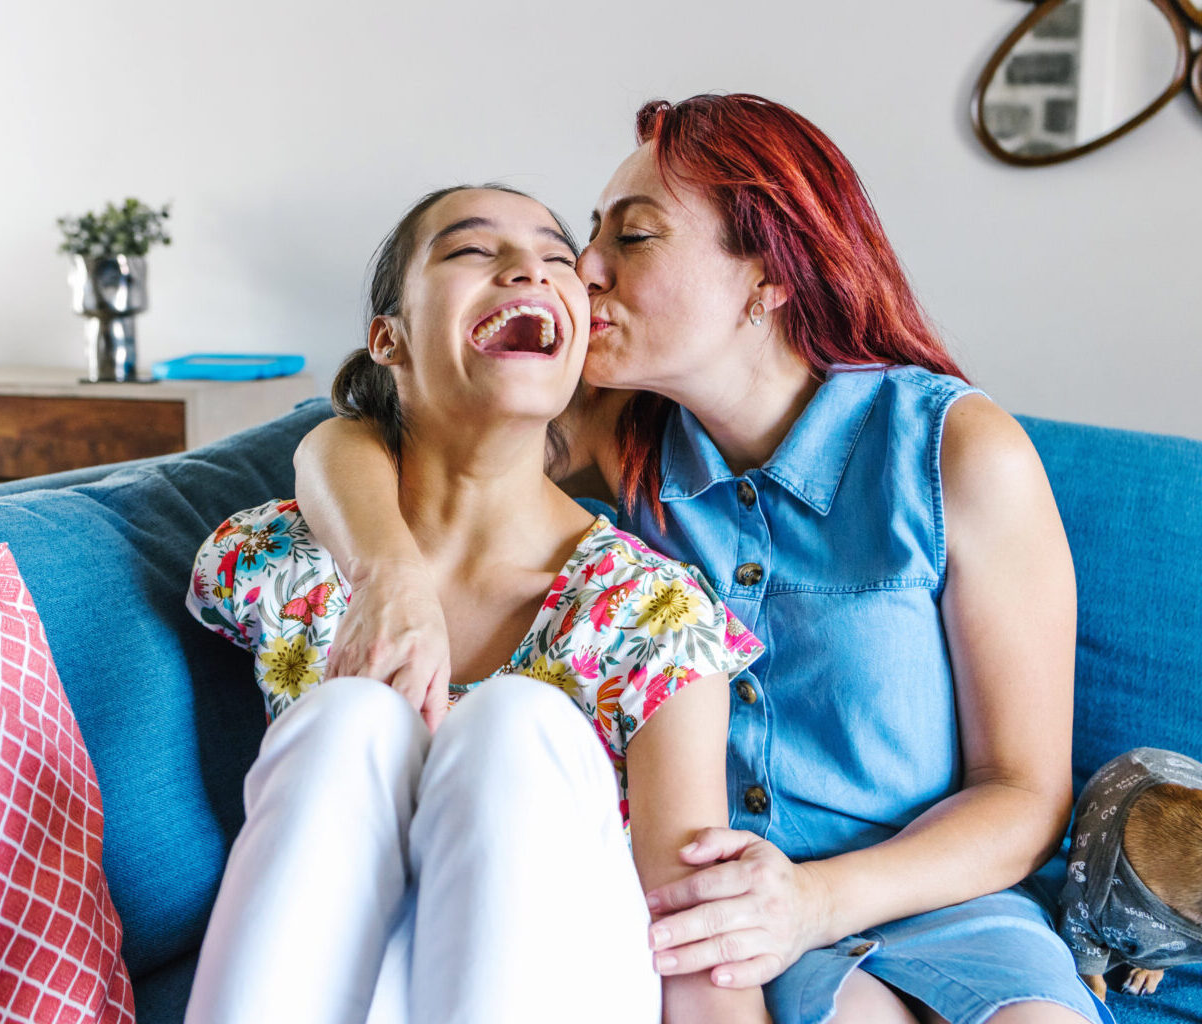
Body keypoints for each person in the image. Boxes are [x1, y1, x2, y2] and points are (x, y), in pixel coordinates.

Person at [292, 95, 1110, 1024]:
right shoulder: (614, 429)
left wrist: (813, 904)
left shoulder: (953, 450)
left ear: (770, 275)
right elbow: (354, 438)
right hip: (711, 922)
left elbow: (1025, 792)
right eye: (589, 233)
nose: (582, 269)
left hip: (940, 900)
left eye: (631, 238)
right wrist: (386, 570)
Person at [181, 184, 768, 1024]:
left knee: (512, 725)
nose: (529, 266)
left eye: (557, 259)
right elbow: (330, 439)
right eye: (470, 250)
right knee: (351, 720)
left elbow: (702, 959)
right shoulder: (284, 562)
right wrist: (388, 574)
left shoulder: (652, 615)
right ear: (388, 338)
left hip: (564, 983)